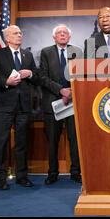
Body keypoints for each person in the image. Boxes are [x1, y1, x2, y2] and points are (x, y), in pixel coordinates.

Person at [0, 25, 38, 190]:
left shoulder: (27, 54)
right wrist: (6, 82)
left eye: (20, 33)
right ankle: (0, 178)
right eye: (16, 33)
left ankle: (22, 176)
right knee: (0, 143)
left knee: (22, 143)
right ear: (7, 38)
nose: (19, 35)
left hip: (24, 106)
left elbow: (36, 75)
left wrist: (29, 74)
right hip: (4, 106)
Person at [40, 24, 82, 185]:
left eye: (65, 33)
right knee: (52, 140)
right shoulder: (46, 52)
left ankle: (76, 172)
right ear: (54, 37)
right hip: (52, 102)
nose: (62, 35)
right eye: (59, 33)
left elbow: (82, 75)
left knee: (75, 139)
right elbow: (42, 77)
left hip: (74, 102)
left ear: (69, 37)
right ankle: (52, 172)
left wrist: (71, 91)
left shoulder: (77, 52)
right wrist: (61, 91)